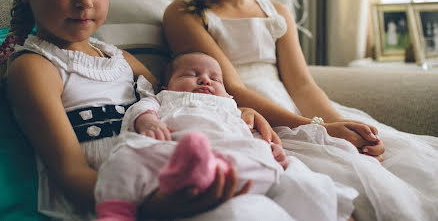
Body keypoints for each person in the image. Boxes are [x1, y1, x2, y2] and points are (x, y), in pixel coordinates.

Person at [0, 0, 285, 220]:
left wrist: (236, 113)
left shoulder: (118, 58)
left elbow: (176, 102)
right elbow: (71, 174)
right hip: (110, 203)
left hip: (172, 178)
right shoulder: (35, 67)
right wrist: (152, 207)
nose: (85, 0)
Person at [162, 0, 438, 220]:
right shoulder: (184, 13)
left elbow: (303, 86)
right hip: (257, 123)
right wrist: (315, 130)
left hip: (301, 114)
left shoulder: (277, 13)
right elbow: (234, 89)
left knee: (401, 170)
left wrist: (340, 127)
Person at [94, 51, 357, 221]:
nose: (204, 81)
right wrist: (148, 120)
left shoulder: (232, 106)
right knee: (126, 154)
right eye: (191, 74)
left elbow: (247, 133)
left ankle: (208, 171)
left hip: (234, 157)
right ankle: (116, 211)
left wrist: (269, 148)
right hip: (173, 151)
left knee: (298, 178)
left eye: (214, 78)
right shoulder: (163, 99)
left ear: (227, 91)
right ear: (166, 86)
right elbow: (142, 108)